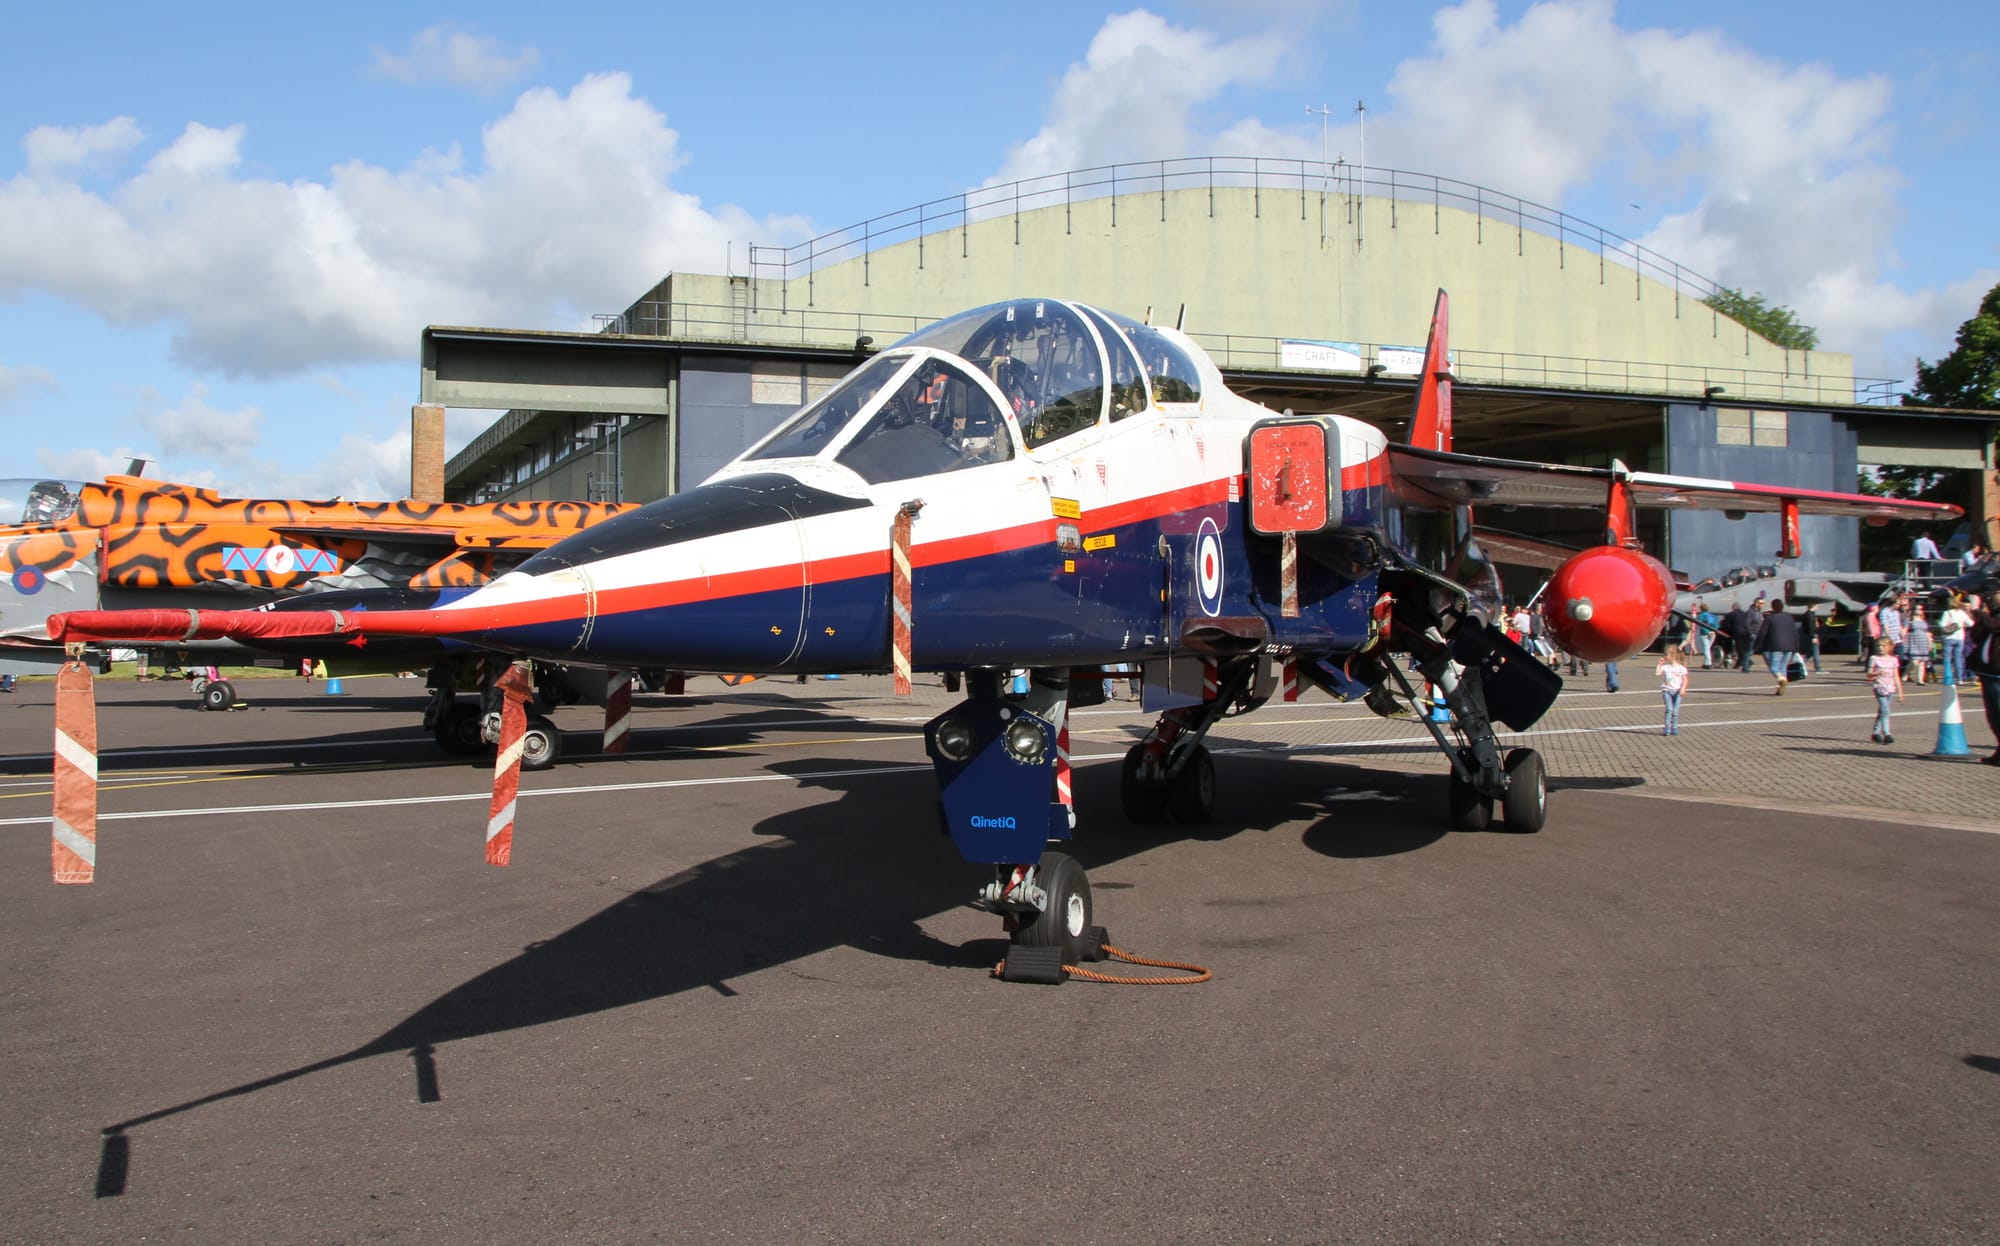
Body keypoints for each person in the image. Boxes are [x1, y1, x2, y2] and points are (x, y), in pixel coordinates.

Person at [1968, 590, 2000, 766]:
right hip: (1987, 672)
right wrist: (1978, 618)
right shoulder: (1991, 617)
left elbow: (1993, 625)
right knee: (1993, 716)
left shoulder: (1993, 620)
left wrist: (1977, 611)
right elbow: (1977, 636)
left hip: (1997, 673)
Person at [1755, 599, 1801, 695]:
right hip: (1789, 646)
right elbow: (1795, 633)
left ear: (1773, 607)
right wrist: (1796, 647)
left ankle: (1781, 679)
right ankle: (1780, 687)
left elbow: (1762, 633)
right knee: (1783, 666)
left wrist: (1757, 645)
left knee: (1773, 666)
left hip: (1775, 646)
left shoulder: (1770, 618)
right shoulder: (1789, 618)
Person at [1866, 636, 1904, 745]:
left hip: (1890, 688)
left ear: (1889, 647)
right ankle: (1887, 733)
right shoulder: (1874, 658)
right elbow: (1868, 674)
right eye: (1878, 646)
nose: (1880, 648)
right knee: (1885, 710)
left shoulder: (1893, 660)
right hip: (1879, 687)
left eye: (1883, 646)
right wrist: (1876, 673)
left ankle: (1875, 733)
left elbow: (1896, 676)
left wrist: (1900, 691)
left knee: (1882, 711)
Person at [1938, 592, 1974, 686]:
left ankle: (1948, 678)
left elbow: (1942, 625)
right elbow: (1971, 623)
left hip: (1949, 637)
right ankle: (1960, 678)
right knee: (1958, 658)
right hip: (1960, 637)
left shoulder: (1947, 613)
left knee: (1947, 658)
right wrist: (1962, 625)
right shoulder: (1962, 613)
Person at [1656, 644, 1689, 735]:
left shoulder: (1681, 668)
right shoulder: (1666, 667)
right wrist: (1659, 664)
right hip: (1667, 691)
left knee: (1675, 711)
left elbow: (1685, 680)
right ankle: (1667, 727)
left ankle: (1674, 727)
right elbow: (1657, 673)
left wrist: (1683, 688)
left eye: (1667, 655)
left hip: (1677, 691)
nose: (1665, 656)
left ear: (1673, 656)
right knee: (1669, 709)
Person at [1904, 604, 1933, 684]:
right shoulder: (1909, 619)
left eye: (1921, 609)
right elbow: (1905, 630)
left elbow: (1926, 632)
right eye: (1918, 609)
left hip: (1923, 641)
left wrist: (1930, 642)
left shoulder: (1923, 620)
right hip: (1913, 641)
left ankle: (1920, 680)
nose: (1920, 610)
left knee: (1922, 662)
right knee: (1914, 661)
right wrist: (1903, 640)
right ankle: (1905, 674)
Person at [1694, 599, 1719, 668]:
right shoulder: (1713, 615)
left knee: (1706, 648)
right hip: (1713, 632)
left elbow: (1701, 625)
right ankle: (1706, 662)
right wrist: (1713, 630)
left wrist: (1707, 632)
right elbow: (1717, 624)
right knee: (1708, 648)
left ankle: (1709, 663)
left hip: (1705, 633)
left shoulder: (1701, 616)